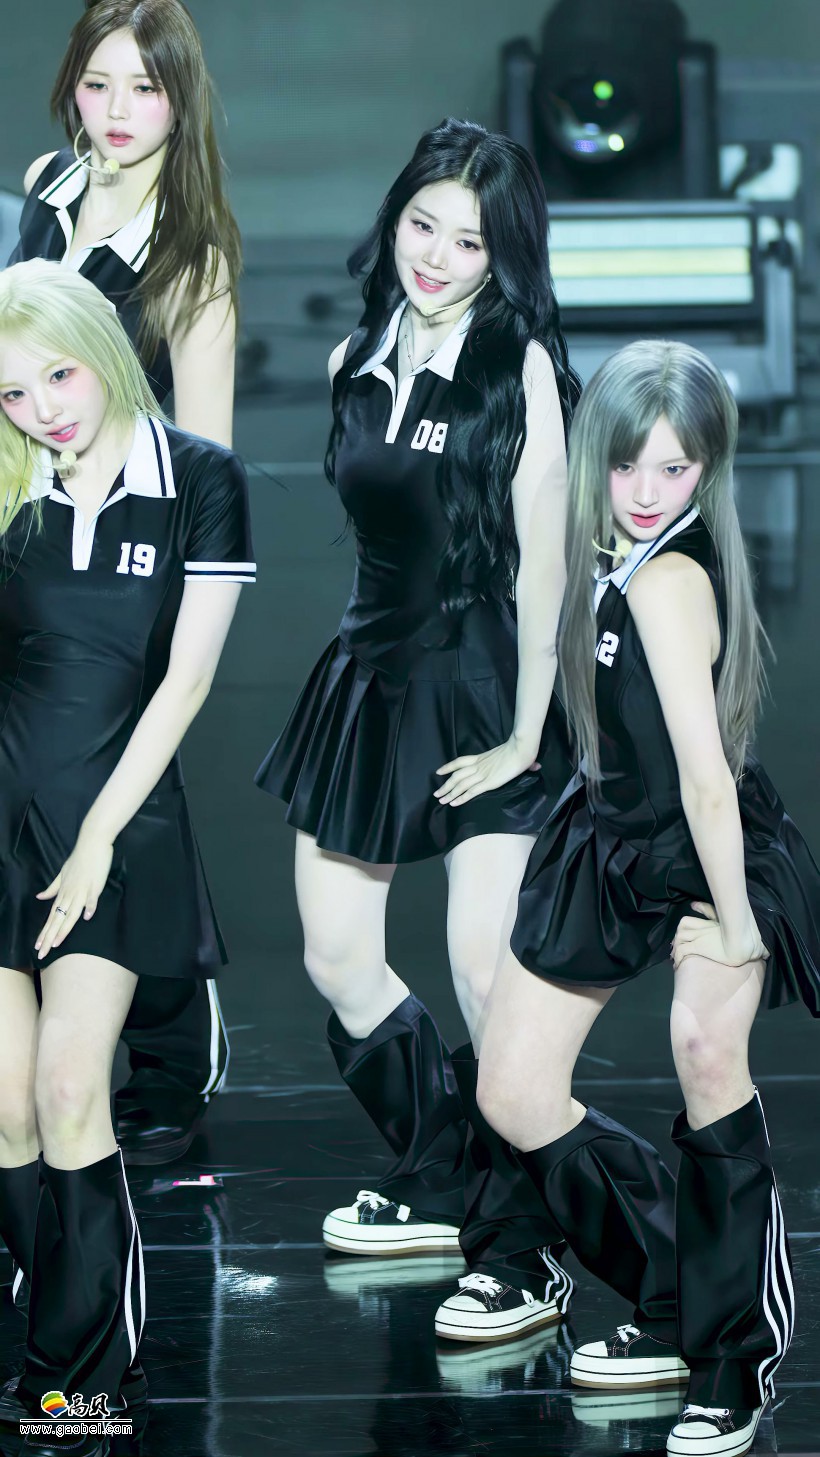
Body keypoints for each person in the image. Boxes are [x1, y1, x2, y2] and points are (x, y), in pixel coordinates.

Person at [256, 117, 581, 1343]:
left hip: (488, 685)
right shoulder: (358, 349)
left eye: (470, 240)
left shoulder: (517, 366)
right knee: (337, 958)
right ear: (393, 218)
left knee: (486, 978)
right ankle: (449, 1172)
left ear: (506, 254)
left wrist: (528, 735)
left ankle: (523, 1251)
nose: (437, 256)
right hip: (368, 678)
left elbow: (546, 564)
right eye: (422, 225)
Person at [476, 339, 816, 1455]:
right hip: (607, 835)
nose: (645, 491)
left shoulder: (671, 579)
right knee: (512, 1091)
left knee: (706, 1051)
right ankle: (676, 1290)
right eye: (627, 465)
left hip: (707, 849)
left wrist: (737, 923)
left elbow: (708, 781)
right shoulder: (600, 545)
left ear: (707, 469)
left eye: (675, 469)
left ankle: (732, 1356)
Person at [0, 260, 254, 1456]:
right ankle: (46, 1312)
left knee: (69, 1090)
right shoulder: (9, 477)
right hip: (3, 810)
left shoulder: (198, 480)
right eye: (12, 392)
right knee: (5, 1110)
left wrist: (100, 834)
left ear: (100, 348)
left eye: (57, 375)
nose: (42, 408)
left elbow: (186, 681)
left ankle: (85, 1382)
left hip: (118, 822)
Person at [8, 0, 244, 1167]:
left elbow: (207, 451)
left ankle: (169, 1041)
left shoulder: (192, 260)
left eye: (144, 89)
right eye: (98, 84)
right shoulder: (44, 190)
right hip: (29, 527)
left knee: (126, 776)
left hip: (132, 553)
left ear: (178, 101)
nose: (116, 112)